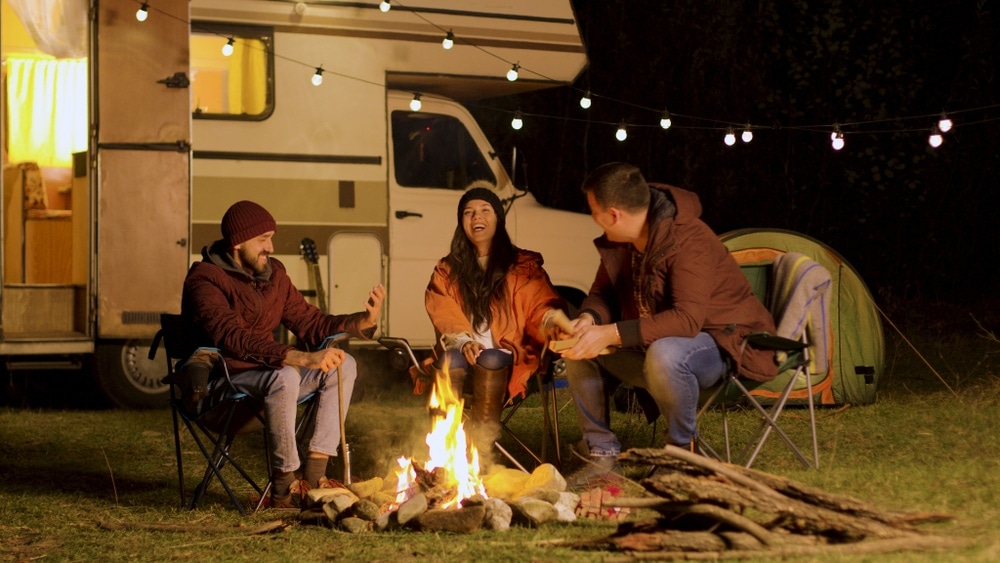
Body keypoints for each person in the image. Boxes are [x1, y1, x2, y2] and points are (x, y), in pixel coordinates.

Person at [555, 163, 778, 490]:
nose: (593, 218)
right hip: (654, 348)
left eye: (594, 211)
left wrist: (612, 333)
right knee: (579, 349)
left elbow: (687, 320)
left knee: (666, 352)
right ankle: (601, 455)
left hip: (725, 344)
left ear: (613, 214)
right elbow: (603, 294)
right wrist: (588, 320)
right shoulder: (622, 241)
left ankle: (681, 456)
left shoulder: (689, 239)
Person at [181, 200, 386, 508]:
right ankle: (284, 487)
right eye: (263, 239)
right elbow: (230, 336)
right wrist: (299, 357)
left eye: (271, 238)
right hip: (221, 390)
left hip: (268, 387)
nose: (271, 247)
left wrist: (361, 322)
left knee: (343, 364)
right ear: (238, 242)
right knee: (286, 375)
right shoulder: (205, 280)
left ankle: (314, 478)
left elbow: (310, 322)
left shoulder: (274, 276)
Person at [425, 187, 566, 464]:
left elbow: (541, 303)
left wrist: (551, 318)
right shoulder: (447, 270)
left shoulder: (522, 266)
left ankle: (481, 452)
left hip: (512, 356)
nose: (476, 217)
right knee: (449, 360)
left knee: (489, 357)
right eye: (468, 212)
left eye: (484, 211)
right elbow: (442, 309)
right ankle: (445, 454)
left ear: (498, 220)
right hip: (465, 354)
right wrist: (464, 341)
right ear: (461, 223)